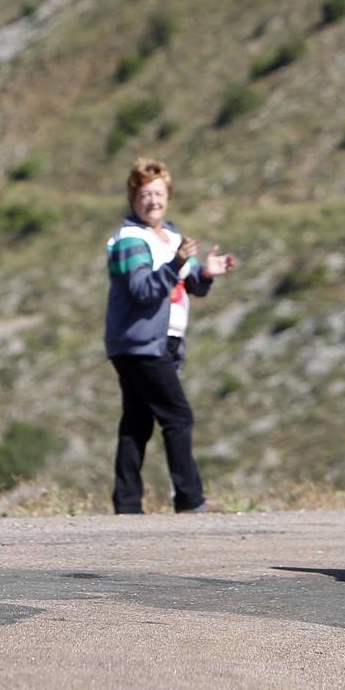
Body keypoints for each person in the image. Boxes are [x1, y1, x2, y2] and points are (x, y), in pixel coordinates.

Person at [104, 158, 236, 515]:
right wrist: (177, 263)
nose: (153, 201)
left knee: (137, 421)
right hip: (141, 344)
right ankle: (190, 500)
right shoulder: (131, 239)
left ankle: (127, 504)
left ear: (168, 196)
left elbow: (190, 284)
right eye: (145, 194)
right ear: (133, 198)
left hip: (160, 340)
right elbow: (143, 289)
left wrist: (205, 272)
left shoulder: (171, 235)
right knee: (178, 416)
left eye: (158, 193)